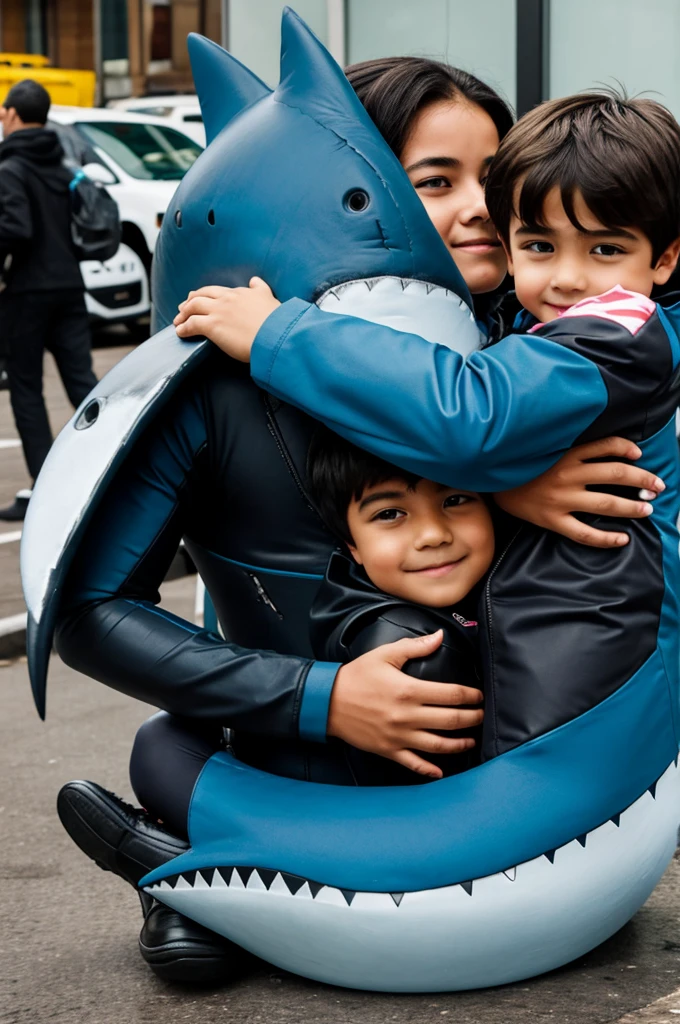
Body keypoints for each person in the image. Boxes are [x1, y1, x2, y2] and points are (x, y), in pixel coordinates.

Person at [54, 70, 662, 987]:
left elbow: (485, 420)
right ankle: (198, 873)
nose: (479, 212)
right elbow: (93, 609)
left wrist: (505, 480)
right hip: (303, 751)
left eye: (493, 182)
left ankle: (207, 872)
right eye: (434, 181)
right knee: (168, 747)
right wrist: (318, 697)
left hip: (517, 765)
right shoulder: (221, 378)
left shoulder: (539, 334)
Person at [189, 90, 680, 763]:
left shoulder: (615, 330)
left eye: (604, 248)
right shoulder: (517, 317)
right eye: (538, 243)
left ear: (663, 259)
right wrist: (506, 489)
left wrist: (280, 334)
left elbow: (473, 415)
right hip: (553, 640)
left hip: (592, 651)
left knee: (525, 810)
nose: (567, 278)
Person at [0, 79, 97, 521]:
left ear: (13, 115)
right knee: (83, 384)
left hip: (26, 293)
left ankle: (47, 490)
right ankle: (106, 470)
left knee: (26, 391)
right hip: (69, 287)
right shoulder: (60, 165)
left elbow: (16, 228)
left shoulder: (10, 169)